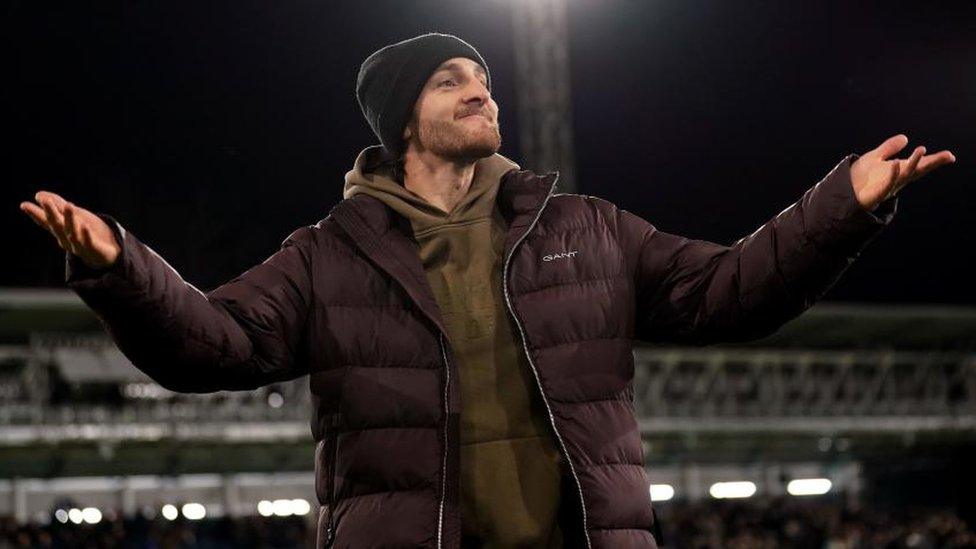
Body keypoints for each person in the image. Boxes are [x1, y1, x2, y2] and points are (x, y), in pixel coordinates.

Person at [19, 32, 955, 549]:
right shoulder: (327, 254)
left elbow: (729, 293)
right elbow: (214, 345)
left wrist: (840, 208)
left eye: (484, 76)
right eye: (450, 78)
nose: (480, 89)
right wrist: (120, 267)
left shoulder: (586, 226)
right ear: (401, 123)